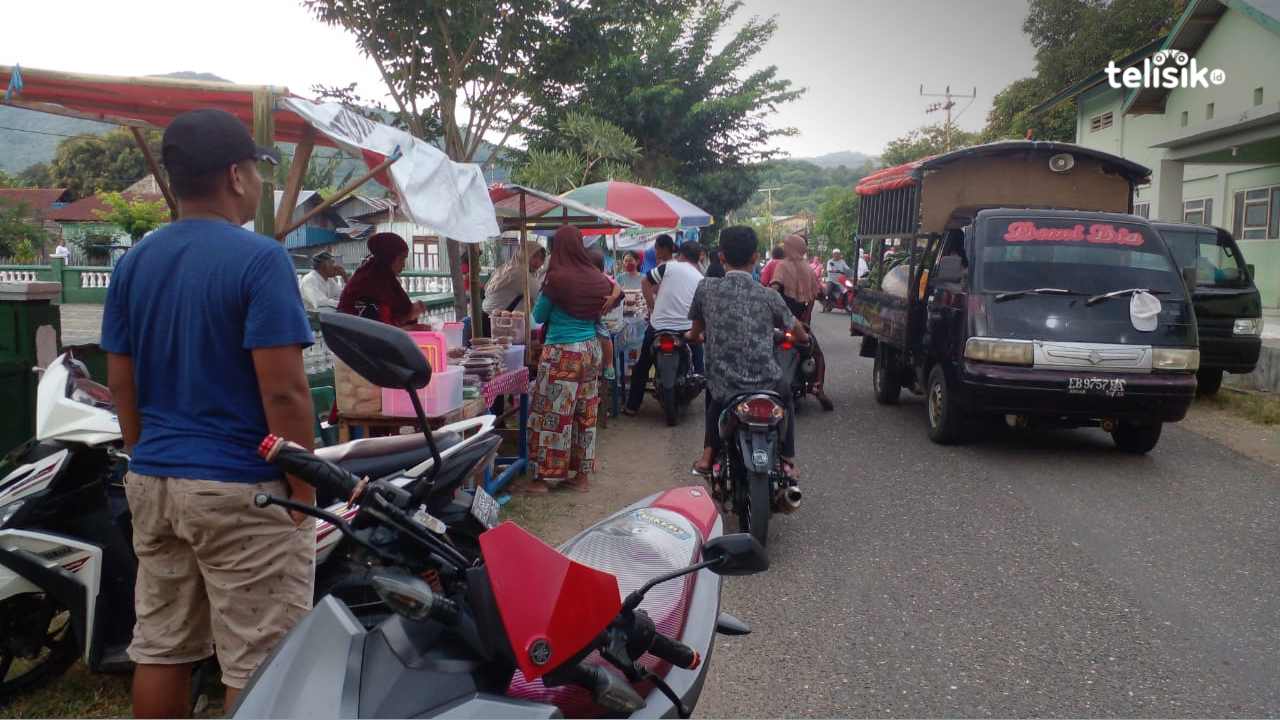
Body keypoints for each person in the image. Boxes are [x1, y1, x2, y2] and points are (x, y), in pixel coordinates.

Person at [100, 109, 316, 718]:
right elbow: (285, 394)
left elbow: (122, 381)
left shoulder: (134, 263)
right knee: (262, 659)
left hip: (154, 480)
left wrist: (147, 455)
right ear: (235, 175)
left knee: (163, 648)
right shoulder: (260, 259)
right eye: (254, 168)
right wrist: (304, 487)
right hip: (240, 488)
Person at [688, 225, 808, 477]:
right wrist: (804, 338)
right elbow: (797, 330)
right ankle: (787, 459)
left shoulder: (706, 288)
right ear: (755, 257)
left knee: (713, 397)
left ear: (721, 257)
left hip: (725, 383)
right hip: (767, 381)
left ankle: (708, 455)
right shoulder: (769, 296)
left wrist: (693, 337)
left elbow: (696, 328)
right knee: (786, 396)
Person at [526, 225, 620, 494]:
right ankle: (581, 477)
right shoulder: (598, 278)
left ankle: (544, 478)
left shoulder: (556, 278)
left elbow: (539, 317)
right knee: (584, 412)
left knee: (553, 414)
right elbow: (616, 293)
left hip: (561, 352)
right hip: (591, 351)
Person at [624, 236, 704, 414]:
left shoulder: (667, 266)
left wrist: (651, 305)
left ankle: (632, 406)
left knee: (643, 364)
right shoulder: (700, 277)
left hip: (659, 326)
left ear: (680, 254)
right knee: (699, 355)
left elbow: (645, 282)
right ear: (699, 257)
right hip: (686, 327)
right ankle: (699, 380)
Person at [772, 234, 835, 411]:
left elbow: (774, 289)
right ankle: (818, 388)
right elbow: (818, 295)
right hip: (801, 324)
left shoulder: (782, 266)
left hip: (781, 322)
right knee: (818, 355)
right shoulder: (808, 269)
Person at [337, 233, 426, 326]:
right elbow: (379, 330)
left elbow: (393, 321)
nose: (403, 265)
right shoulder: (368, 282)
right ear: (388, 259)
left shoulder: (386, 280)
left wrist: (411, 313)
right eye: (401, 259)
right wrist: (410, 323)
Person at [482, 241, 546, 334]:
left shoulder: (506, 267)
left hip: (490, 318)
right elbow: (540, 297)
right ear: (523, 255)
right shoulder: (520, 274)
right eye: (534, 256)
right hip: (495, 322)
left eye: (541, 258)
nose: (538, 262)